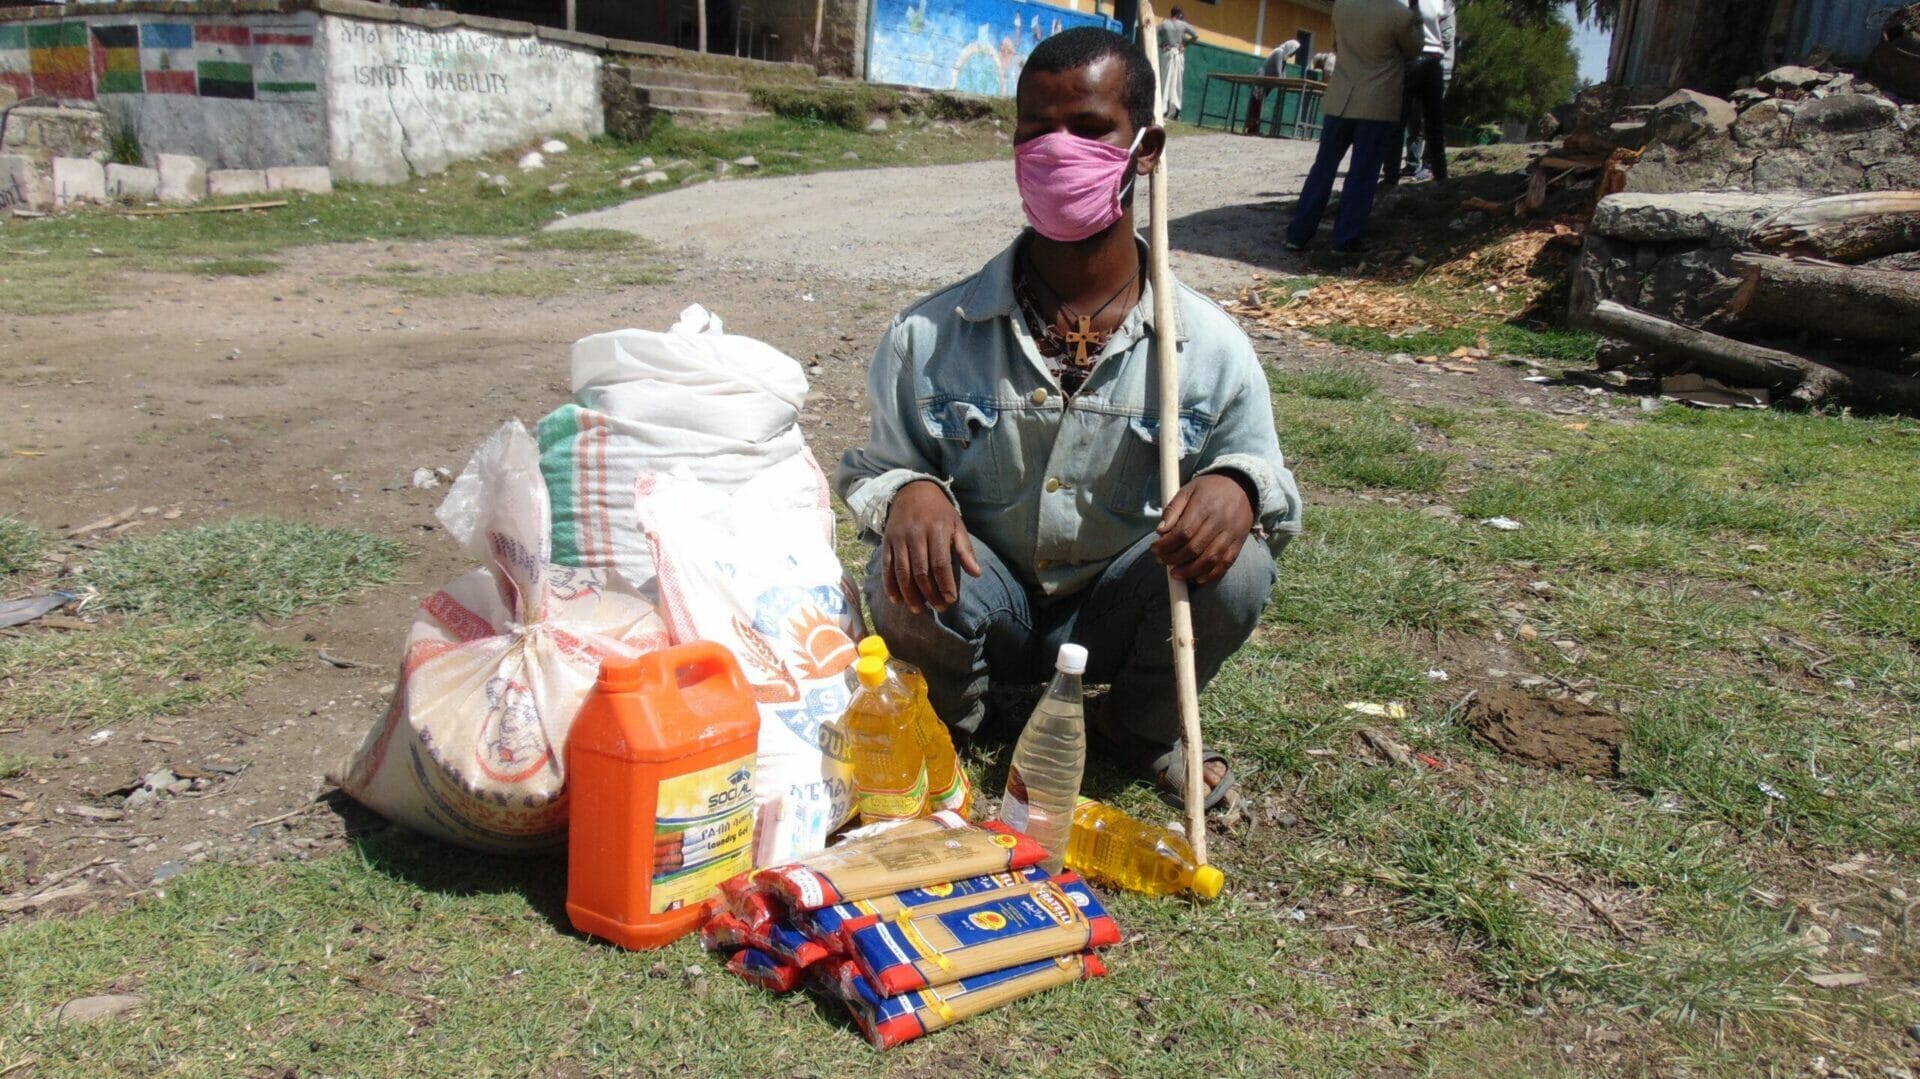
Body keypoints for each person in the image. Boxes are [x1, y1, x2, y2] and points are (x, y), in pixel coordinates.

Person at [835, 27, 1302, 812]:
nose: (1057, 152)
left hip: (1117, 614)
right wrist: (908, 491)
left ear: (1146, 150)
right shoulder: (929, 334)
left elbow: (1272, 488)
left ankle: (1140, 725)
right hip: (985, 601)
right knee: (900, 555)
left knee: (1241, 566)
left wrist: (1239, 486)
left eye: (1088, 129)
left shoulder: (1208, 346)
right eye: (1036, 131)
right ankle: (952, 719)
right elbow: (877, 468)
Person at [1281, 0, 1421, 254]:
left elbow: (1337, 46)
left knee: (1322, 168)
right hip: (1375, 104)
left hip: (1340, 99)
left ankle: (1298, 234)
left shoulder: (1342, 6)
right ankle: (1345, 240)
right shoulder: (1400, 16)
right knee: (1362, 174)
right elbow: (1415, 48)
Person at [1385, 0, 1456, 187]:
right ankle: (1440, 173)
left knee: (1398, 120)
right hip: (1434, 61)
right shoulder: (1443, 3)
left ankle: (1390, 176)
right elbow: (1447, 37)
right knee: (1434, 122)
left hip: (1409, 58)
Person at [1244, 38, 1303, 136]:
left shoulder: (1284, 57)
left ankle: (1254, 128)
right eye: (1294, 51)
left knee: (1259, 104)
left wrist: (1286, 82)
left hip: (1266, 84)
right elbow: (1278, 72)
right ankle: (1251, 129)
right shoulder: (1279, 53)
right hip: (1261, 80)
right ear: (1290, 47)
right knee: (1256, 103)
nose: (1293, 54)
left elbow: (1283, 74)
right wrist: (1283, 82)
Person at [1157, 7, 1200, 122]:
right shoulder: (1183, 25)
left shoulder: (1164, 24)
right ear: (1179, 14)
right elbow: (1196, 35)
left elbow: (1152, 33)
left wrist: (1161, 44)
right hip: (1178, 54)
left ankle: (1164, 108)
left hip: (1167, 54)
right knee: (1177, 82)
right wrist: (1184, 44)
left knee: (1165, 81)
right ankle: (1176, 110)